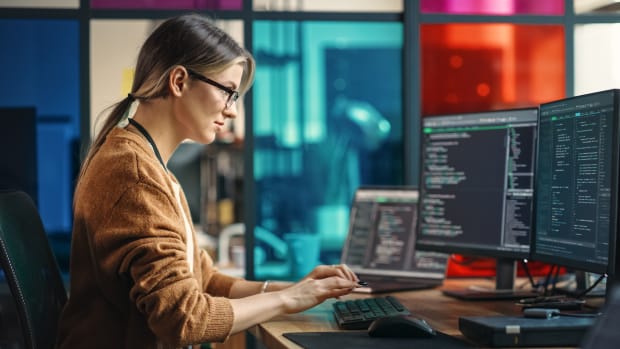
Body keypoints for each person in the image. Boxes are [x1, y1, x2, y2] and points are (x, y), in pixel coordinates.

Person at [55, 13, 359, 349]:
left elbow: (206, 280)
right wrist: (289, 300)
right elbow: (186, 320)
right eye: (228, 91)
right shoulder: (135, 175)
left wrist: (294, 289)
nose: (232, 112)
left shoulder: (148, 166)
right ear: (180, 81)